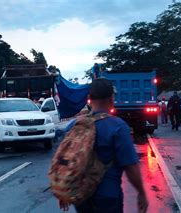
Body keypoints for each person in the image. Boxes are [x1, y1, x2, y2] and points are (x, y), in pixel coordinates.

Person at [61, 78, 148, 213]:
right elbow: (130, 166)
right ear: (112, 98)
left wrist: (63, 190)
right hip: (108, 197)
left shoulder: (74, 126)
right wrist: (141, 192)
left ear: (89, 99)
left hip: (81, 196)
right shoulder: (118, 127)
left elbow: (65, 160)